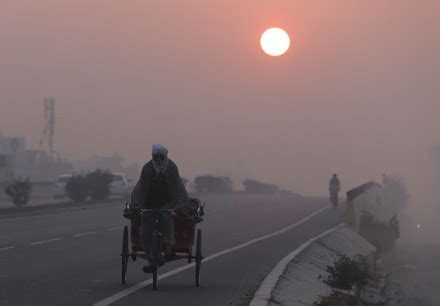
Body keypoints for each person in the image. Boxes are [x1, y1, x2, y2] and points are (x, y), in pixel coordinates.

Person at [130, 144, 189, 272]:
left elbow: (177, 186)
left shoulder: (171, 167)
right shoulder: (147, 168)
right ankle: (151, 259)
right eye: (155, 157)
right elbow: (142, 188)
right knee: (145, 231)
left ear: (165, 156)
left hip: (167, 202)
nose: (158, 160)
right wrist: (138, 205)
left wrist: (179, 204)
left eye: (161, 157)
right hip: (149, 202)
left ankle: (168, 248)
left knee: (167, 219)